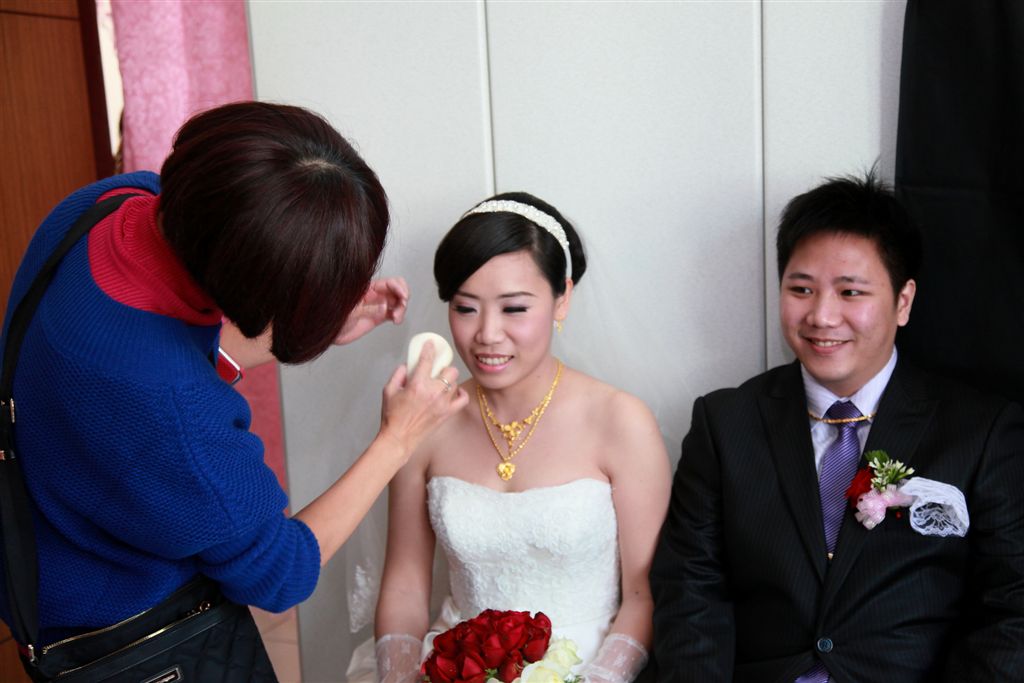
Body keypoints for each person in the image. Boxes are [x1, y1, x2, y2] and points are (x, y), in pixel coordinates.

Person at [0, 102, 466, 665]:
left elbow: (157, 351)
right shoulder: (173, 415)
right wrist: (399, 436)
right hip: (118, 633)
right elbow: (282, 571)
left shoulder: (114, 204)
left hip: (42, 542)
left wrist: (310, 308)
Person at [648, 172, 1024, 682]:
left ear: (904, 301)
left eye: (850, 292)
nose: (822, 316)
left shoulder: (981, 431)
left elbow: (1013, 607)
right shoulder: (726, 423)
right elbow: (691, 593)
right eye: (801, 289)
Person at [351, 192, 671, 683]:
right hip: (454, 669)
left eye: (514, 308)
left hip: (591, 668)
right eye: (465, 308)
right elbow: (405, 585)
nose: (487, 334)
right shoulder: (425, 419)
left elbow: (643, 595)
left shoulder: (620, 420)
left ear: (562, 298)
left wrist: (598, 680)